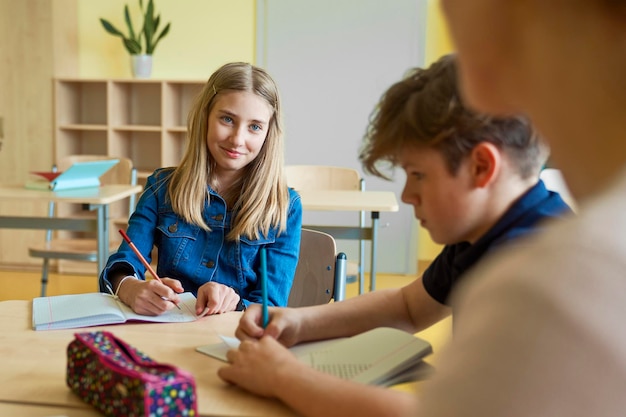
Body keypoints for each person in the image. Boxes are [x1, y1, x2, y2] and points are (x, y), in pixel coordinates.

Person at [216, 54, 572, 417]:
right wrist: (298, 321)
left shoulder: (533, 273)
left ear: (481, 167)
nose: (406, 196)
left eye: (417, 174)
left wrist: (283, 376)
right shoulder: (486, 233)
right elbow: (409, 307)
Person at [99, 62, 302, 317]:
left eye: (254, 127)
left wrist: (234, 302)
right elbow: (124, 262)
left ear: (268, 134)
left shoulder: (285, 206)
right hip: (164, 333)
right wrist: (130, 288)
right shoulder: (162, 187)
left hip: (233, 340)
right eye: (227, 119)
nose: (237, 139)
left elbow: (271, 306)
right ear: (205, 117)